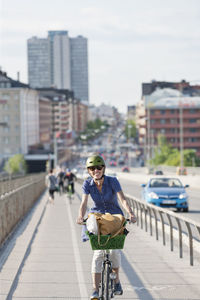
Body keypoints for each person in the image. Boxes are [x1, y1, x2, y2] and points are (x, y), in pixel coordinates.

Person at [76, 155, 136, 300]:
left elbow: (122, 199)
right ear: (89, 171)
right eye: (92, 168)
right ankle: (95, 290)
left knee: (114, 251)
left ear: (103, 168)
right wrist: (80, 216)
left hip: (114, 217)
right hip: (97, 216)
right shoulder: (87, 184)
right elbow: (84, 203)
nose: (95, 170)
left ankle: (116, 281)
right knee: (98, 254)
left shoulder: (112, 181)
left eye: (98, 167)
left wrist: (130, 213)